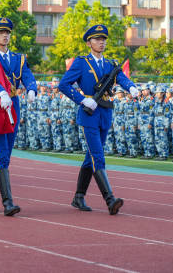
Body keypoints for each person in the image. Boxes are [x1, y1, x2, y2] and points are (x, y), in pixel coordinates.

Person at [58, 24, 138, 215]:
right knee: (98, 157)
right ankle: (110, 199)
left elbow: (121, 78)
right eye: (97, 39)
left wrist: (132, 87)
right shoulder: (81, 63)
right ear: (89, 42)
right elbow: (63, 84)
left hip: (105, 114)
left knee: (91, 158)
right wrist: (82, 99)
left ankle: (78, 197)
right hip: (89, 114)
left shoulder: (110, 63)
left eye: (103, 39)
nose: (101, 42)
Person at [0, 17, 37, 216]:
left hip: (13, 105)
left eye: (7, 32)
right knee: (0, 155)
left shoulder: (18, 58)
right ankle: (7, 202)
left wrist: (31, 89)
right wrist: (0, 91)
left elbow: (27, 74)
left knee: (6, 155)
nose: (5, 35)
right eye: (0, 32)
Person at [152, 86, 171, 160]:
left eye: (158, 93)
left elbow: (167, 115)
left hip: (163, 123)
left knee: (163, 139)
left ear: (162, 93)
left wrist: (166, 125)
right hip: (157, 122)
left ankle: (164, 154)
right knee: (157, 139)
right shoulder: (156, 102)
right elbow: (154, 113)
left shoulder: (166, 102)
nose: (156, 94)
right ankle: (160, 154)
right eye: (156, 93)